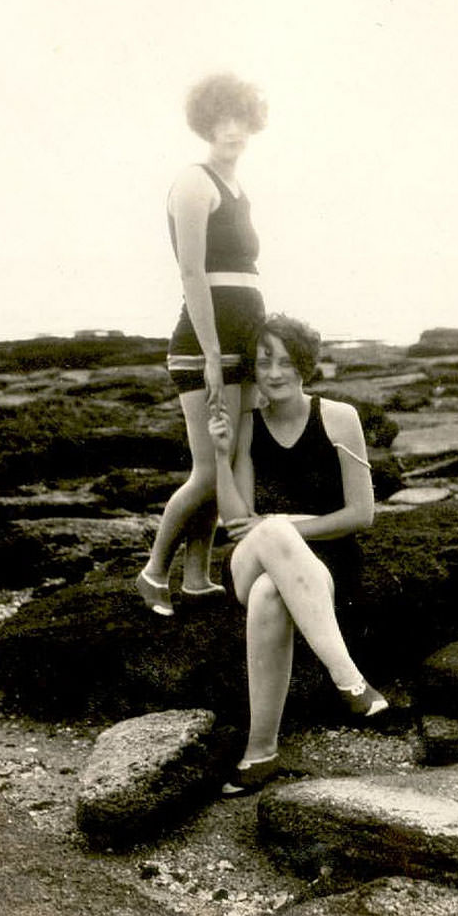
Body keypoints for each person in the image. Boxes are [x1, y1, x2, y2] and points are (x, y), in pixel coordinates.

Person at [208, 314, 388, 796]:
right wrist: (221, 455)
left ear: (305, 365)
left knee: (272, 591)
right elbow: (234, 523)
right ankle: (348, 679)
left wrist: (284, 525)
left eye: (286, 362)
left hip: (323, 567)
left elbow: (362, 513)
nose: (274, 372)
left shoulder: (339, 418)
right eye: (264, 361)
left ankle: (260, 752)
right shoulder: (246, 425)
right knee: (269, 546)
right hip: (252, 560)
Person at [136, 72, 268, 616]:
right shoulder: (194, 181)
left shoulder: (237, 185)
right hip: (203, 345)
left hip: (241, 340)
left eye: (241, 119)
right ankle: (152, 572)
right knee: (210, 471)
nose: (232, 130)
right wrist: (213, 355)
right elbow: (192, 272)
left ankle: (196, 577)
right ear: (205, 124)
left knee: (228, 463)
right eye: (221, 121)